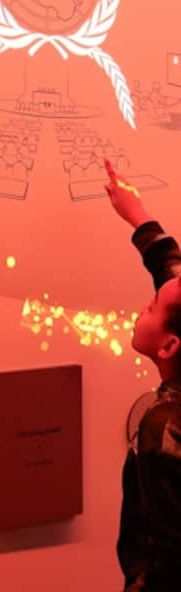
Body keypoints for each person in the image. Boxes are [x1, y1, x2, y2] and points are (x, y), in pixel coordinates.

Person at [104, 158, 181, 591]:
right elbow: (172, 276)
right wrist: (138, 216)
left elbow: (166, 556)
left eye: (151, 307)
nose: (141, 307)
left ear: (169, 346)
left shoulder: (163, 427)